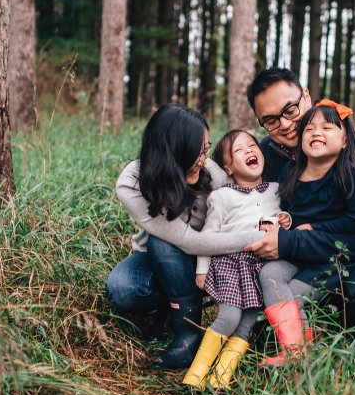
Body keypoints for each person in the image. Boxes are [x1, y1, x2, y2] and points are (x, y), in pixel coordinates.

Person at [106, 104, 263, 370]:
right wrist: (257, 236)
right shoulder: (132, 181)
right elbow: (185, 240)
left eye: (206, 149)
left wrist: (262, 235)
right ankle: (172, 308)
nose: (203, 160)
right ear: (171, 152)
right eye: (197, 152)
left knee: (165, 241)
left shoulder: (213, 174)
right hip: (159, 257)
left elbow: (238, 214)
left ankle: (187, 335)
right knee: (124, 288)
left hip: (210, 258)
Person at [245, 68, 355, 329]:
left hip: (346, 263)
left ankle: (336, 323)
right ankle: (292, 328)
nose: (285, 124)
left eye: (290, 110)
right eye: (271, 120)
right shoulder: (265, 156)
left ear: (306, 97)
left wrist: (290, 241)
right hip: (289, 267)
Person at [257, 100, 355, 367]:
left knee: (295, 294)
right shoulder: (291, 173)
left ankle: (296, 352)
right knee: (270, 275)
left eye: (327, 127)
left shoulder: (348, 175)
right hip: (297, 252)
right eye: (309, 128)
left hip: (329, 258)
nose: (316, 132)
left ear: (345, 141)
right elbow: (289, 210)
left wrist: (317, 228)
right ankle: (299, 346)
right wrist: (280, 222)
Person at [182, 130, 291, 390]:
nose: (250, 151)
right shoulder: (222, 197)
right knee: (229, 317)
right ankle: (195, 375)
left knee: (247, 323)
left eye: (252, 146)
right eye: (239, 151)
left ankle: (220, 379)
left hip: (261, 266)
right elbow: (208, 235)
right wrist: (202, 269)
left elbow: (280, 223)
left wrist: (286, 220)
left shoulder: (276, 190)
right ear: (227, 168)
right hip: (231, 265)